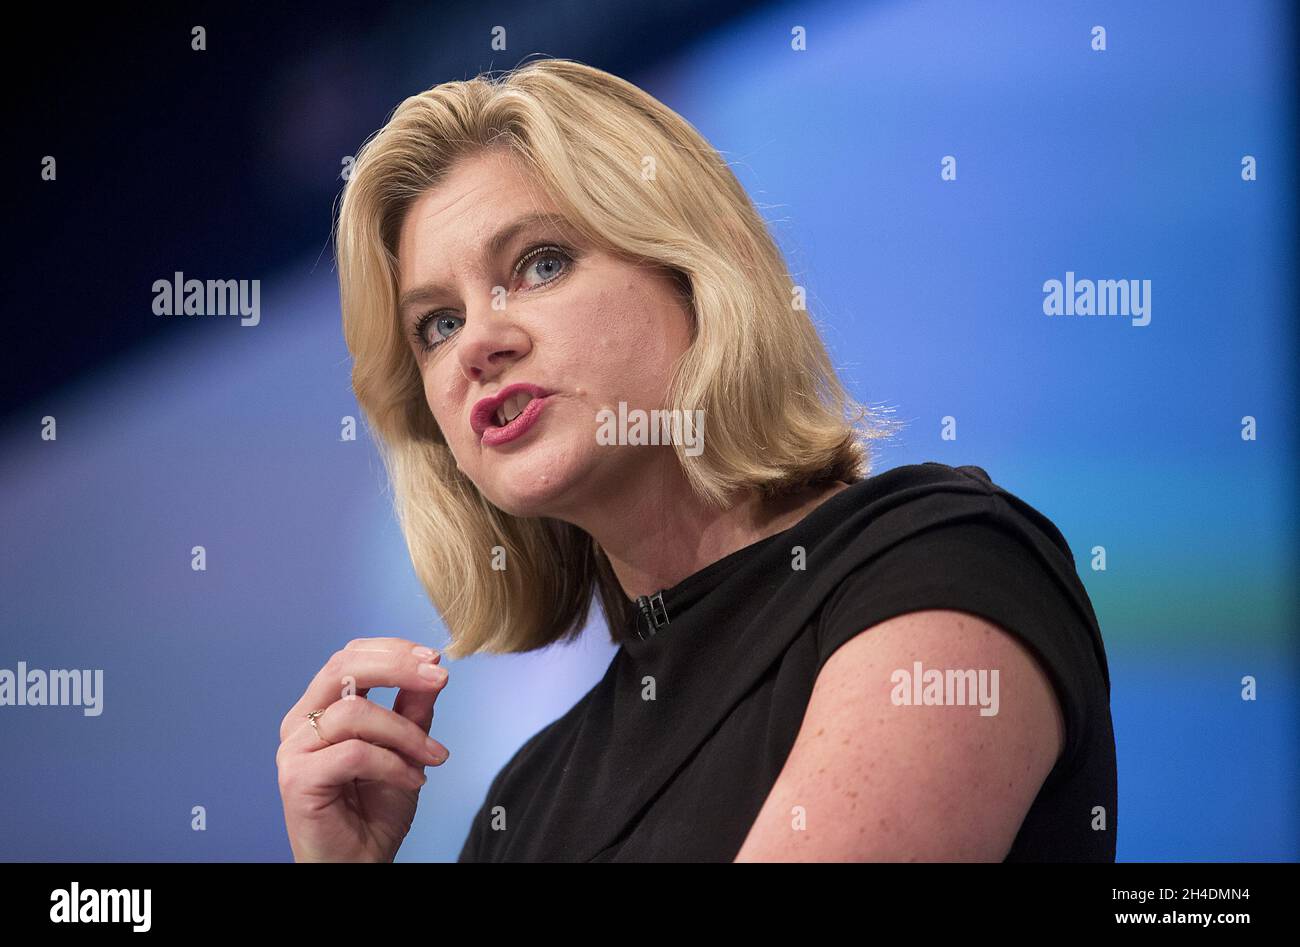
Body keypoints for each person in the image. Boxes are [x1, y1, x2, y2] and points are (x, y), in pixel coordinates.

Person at [276, 57, 1117, 862]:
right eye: (438, 324)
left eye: (540, 264)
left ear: (695, 270)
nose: (478, 346)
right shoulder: (522, 807)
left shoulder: (940, 567)